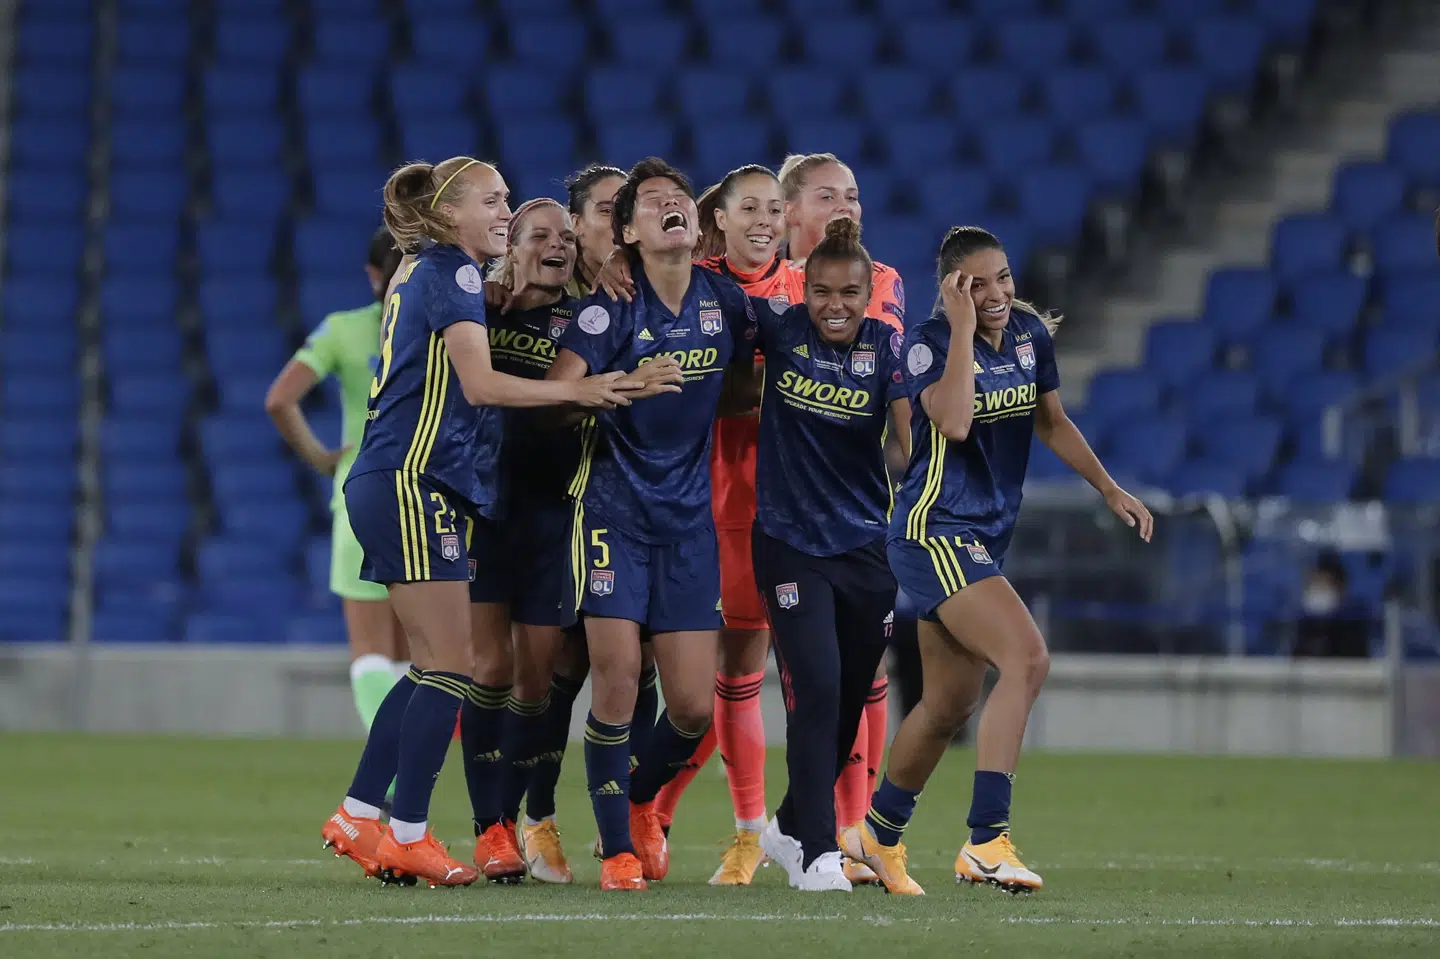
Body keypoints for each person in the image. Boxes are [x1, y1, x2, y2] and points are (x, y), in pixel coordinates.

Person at [318, 156, 639, 888]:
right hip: (414, 477)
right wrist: (583, 387)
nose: (504, 211)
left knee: (436, 663)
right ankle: (407, 831)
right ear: (448, 213)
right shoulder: (456, 272)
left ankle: (360, 812)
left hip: (393, 478)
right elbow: (479, 382)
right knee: (454, 667)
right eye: (493, 201)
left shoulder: (418, 270)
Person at [840, 226, 1153, 895]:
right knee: (1028, 658)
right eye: (977, 283)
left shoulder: (1029, 337)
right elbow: (951, 422)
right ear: (953, 287)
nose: (997, 293)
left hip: (982, 533)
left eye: (1003, 277)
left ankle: (874, 837)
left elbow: (1051, 421)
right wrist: (957, 329)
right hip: (934, 528)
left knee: (949, 701)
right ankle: (986, 839)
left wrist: (1109, 487)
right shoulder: (924, 344)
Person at [546, 156, 761, 891]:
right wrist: (615, 388)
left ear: (695, 225)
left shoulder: (724, 303)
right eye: (654, 203)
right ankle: (616, 852)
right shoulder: (607, 310)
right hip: (612, 513)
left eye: (680, 199)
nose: (672, 207)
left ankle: (636, 798)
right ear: (630, 230)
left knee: (696, 706)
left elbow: (742, 382)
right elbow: (554, 399)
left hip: (688, 524)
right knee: (618, 676)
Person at [747, 218, 911, 892]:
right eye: (821, 292)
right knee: (814, 685)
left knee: (846, 698)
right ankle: (816, 849)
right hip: (788, 540)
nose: (835, 305)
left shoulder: (889, 348)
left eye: (849, 292)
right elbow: (712, 294)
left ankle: (786, 823)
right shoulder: (780, 329)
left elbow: (907, 442)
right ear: (803, 290)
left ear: (869, 292)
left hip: (865, 547)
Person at [265, 226, 408, 733]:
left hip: (361, 494)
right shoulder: (451, 330)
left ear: (374, 275)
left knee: (371, 652)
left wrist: (322, 458)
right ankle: (413, 773)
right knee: (419, 656)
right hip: (429, 496)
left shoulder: (343, 330)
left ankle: (387, 772)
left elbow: (279, 399)